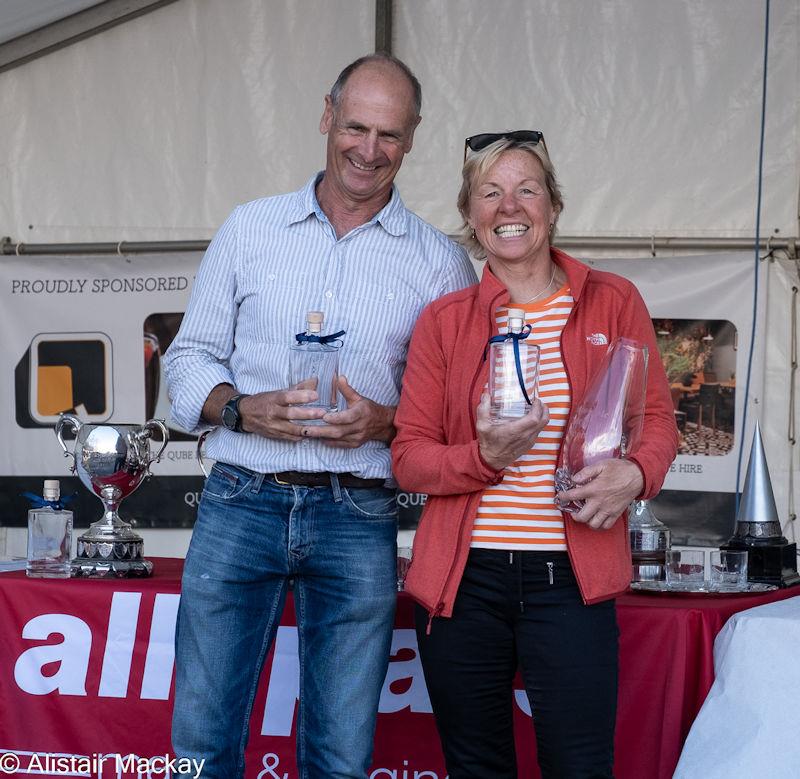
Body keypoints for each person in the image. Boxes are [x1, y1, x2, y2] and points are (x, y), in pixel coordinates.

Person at [163, 54, 476, 779]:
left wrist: (385, 420)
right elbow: (188, 361)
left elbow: (456, 412)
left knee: (339, 757)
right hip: (241, 497)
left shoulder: (438, 263)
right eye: (357, 126)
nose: (369, 149)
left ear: (414, 137)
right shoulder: (250, 228)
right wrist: (241, 408)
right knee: (199, 744)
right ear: (326, 114)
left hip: (358, 513)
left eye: (389, 135)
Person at [391, 131, 678, 778]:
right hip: (463, 585)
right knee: (477, 766)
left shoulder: (613, 299)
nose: (508, 205)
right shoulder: (445, 320)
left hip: (570, 581)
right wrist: (486, 457)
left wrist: (633, 474)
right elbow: (409, 457)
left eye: (526, 188)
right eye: (489, 192)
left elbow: (657, 422)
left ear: (553, 205)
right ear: (469, 214)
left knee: (579, 766)